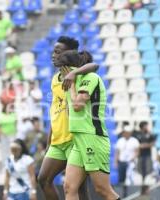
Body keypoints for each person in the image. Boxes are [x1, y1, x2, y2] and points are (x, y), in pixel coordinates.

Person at [53, 50, 119, 200]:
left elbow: (78, 106)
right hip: (78, 140)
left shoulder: (90, 78)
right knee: (69, 187)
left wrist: (71, 86)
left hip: (93, 138)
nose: (60, 73)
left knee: (102, 190)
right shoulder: (75, 82)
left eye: (62, 69)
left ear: (69, 69)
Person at [38, 36, 98, 200]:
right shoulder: (54, 79)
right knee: (43, 179)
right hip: (58, 140)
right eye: (53, 51)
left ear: (68, 54)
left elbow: (95, 66)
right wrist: (50, 137)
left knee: (78, 189)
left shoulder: (80, 75)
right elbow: (55, 108)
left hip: (75, 140)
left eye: (57, 52)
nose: (53, 55)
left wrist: (74, 73)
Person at [0, 104, 17, 168]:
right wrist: (0, 133)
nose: (10, 109)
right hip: (4, 136)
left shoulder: (13, 115)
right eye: (8, 107)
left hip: (12, 135)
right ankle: (6, 165)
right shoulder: (1, 116)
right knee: (4, 150)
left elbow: (15, 123)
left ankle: (13, 164)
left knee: (12, 149)